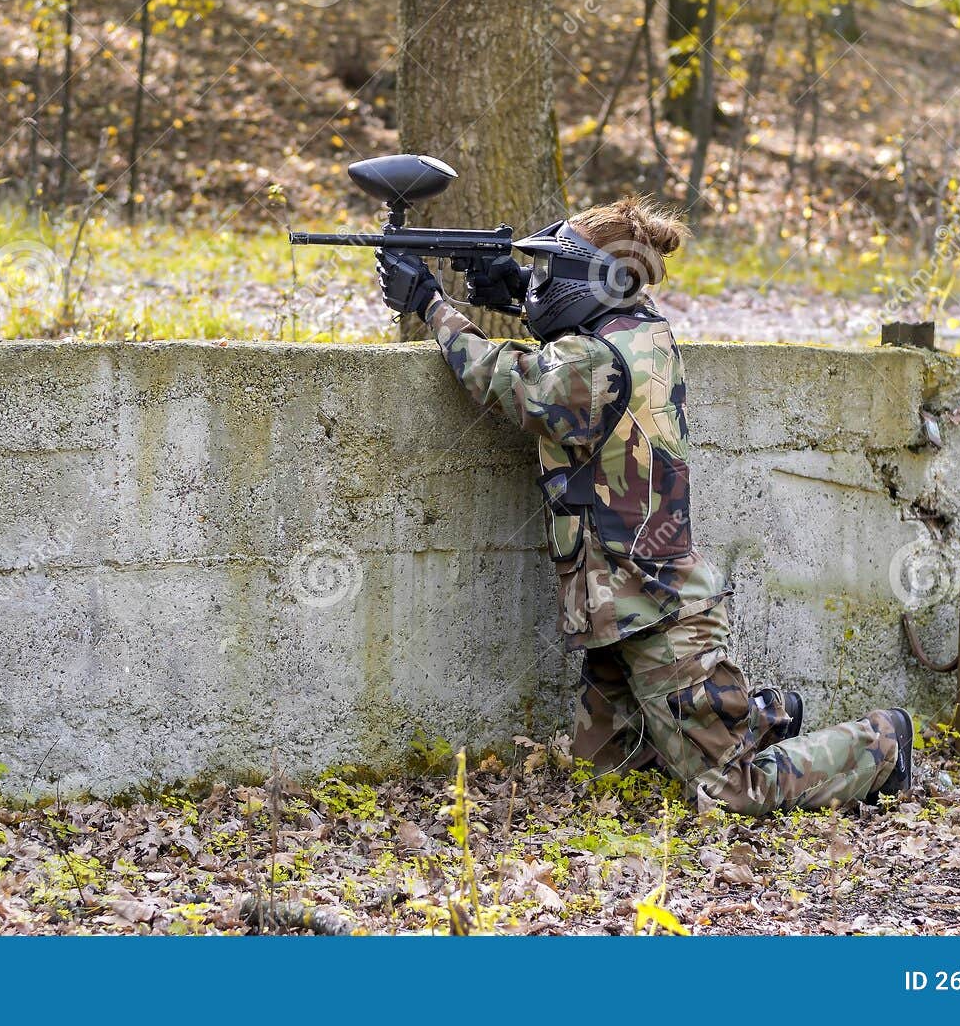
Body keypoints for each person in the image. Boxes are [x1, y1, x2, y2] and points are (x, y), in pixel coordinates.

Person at [375, 196, 914, 816]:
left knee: (730, 791)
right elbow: (577, 324)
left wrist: (433, 305)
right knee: (606, 772)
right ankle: (757, 716)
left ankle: (880, 743)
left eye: (553, 272)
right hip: (618, 607)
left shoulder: (593, 363)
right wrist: (517, 290)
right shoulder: (642, 329)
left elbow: (512, 381)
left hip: (658, 609)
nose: (544, 283)